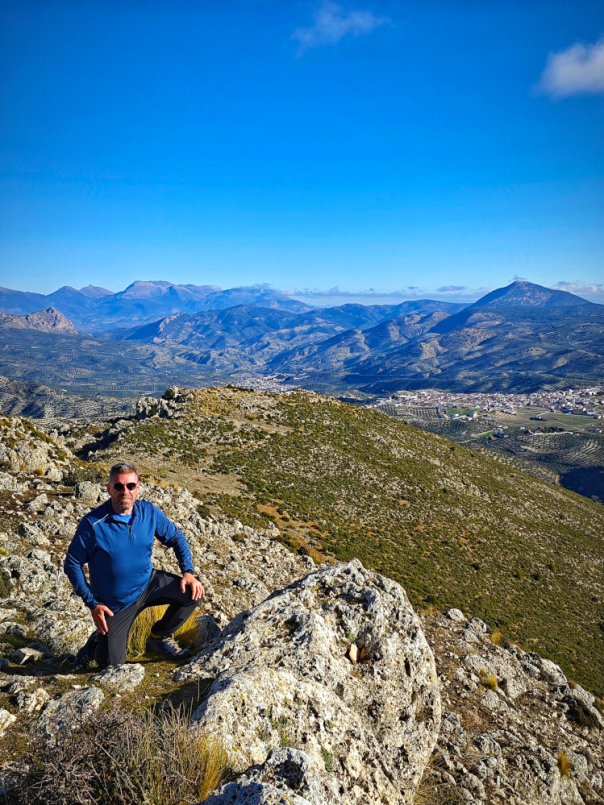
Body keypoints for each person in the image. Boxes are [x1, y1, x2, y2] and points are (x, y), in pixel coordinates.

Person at [65, 461, 204, 669]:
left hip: (148, 584)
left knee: (193, 593)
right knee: (113, 667)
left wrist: (188, 571)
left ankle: (158, 638)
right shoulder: (93, 524)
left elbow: (177, 538)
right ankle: (94, 648)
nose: (125, 491)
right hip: (117, 604)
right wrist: (92, 603)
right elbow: (72, 563)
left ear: (138, 487)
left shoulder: (148, 513)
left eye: (130, 486)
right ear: (109, 489)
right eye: (119, 486)